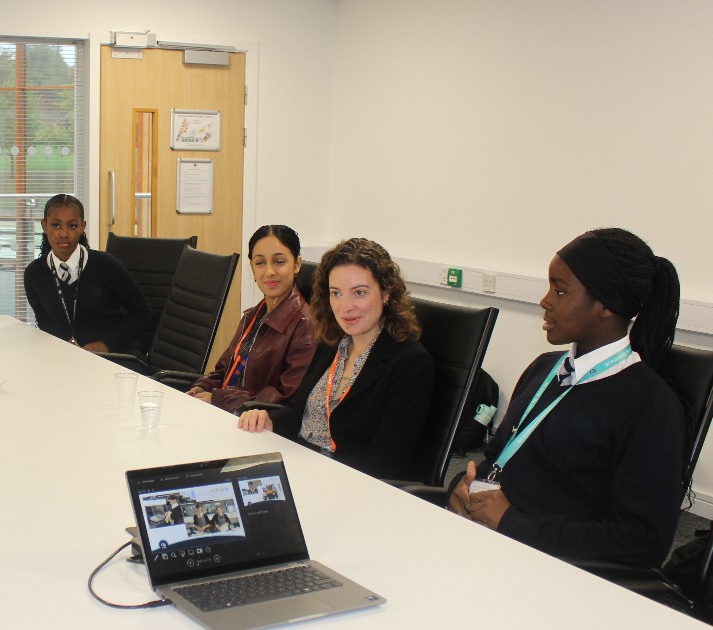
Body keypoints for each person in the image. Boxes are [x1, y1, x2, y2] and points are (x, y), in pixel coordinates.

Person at [449, 228, 685, 569]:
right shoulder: (544, 370)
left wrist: (514, 524)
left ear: (605, 306)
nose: (546, 300)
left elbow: (643, 540)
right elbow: (495, 459)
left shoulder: (649, 404)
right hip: (493, 545)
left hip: (555, 568)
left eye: (560, 290)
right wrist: (463, 485)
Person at [238, 238, 435, 480]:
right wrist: (268, 419)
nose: (345, 307)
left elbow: (385, 462)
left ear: (386, 293)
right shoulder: (333, 343)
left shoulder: (409, 363)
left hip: (349, 483)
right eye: (336, 293)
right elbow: (299, 413)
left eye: (359, 293)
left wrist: (315, 472)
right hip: (301, 462)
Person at [187, 225, 315, 412]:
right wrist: (204, 386)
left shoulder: (306, 325)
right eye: (260, 263)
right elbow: (224, 370)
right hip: (231, 414)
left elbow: (287, 396)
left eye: (279, 261)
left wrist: (219, 399)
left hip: (261, 425)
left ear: (297, 264)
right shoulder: (252, 316)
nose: (269, 271)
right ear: (252, 268)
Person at [23, 194, 151, 355]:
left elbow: (142, 312)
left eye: (72, 226)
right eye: (56, 225)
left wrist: (106, 344)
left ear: (82, 226)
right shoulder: (34, 274)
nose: (64, 233)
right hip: (66, 355)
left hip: (114, 353)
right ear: (44, 225)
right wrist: (65, 344)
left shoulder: (105, 264)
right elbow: (45, 323)